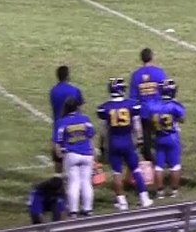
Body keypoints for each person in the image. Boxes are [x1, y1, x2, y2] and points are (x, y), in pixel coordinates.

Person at [96, 78, 152, 210]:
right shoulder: (131, 105)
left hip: (114, 142)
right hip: (127, 142)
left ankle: (122, 202)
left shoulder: (105, 107)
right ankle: (144, 198)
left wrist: (101, 145)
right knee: (136, 169)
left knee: (117, 173)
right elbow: (137, 125)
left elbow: (104, 129)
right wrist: (139, 139)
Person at [52, 97, 96, 217]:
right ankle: (88, 209)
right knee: (86, 182)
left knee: (73, 182)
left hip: (71, 154)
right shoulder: (85, 119)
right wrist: (93, 153)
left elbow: (57, 142)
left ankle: (73, 211)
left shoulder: (62, 122)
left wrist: (60, 155)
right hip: (87, 153)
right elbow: (91, 137)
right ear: (77, 107)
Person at [150, 80, 186, 198]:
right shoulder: (175, 106)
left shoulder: (154, 105)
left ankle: (160, 192)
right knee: (175, 166)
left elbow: (152, 121)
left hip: (159, 137)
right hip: (172, 137)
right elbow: (182, 119)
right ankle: (174, 191)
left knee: (159, 166)